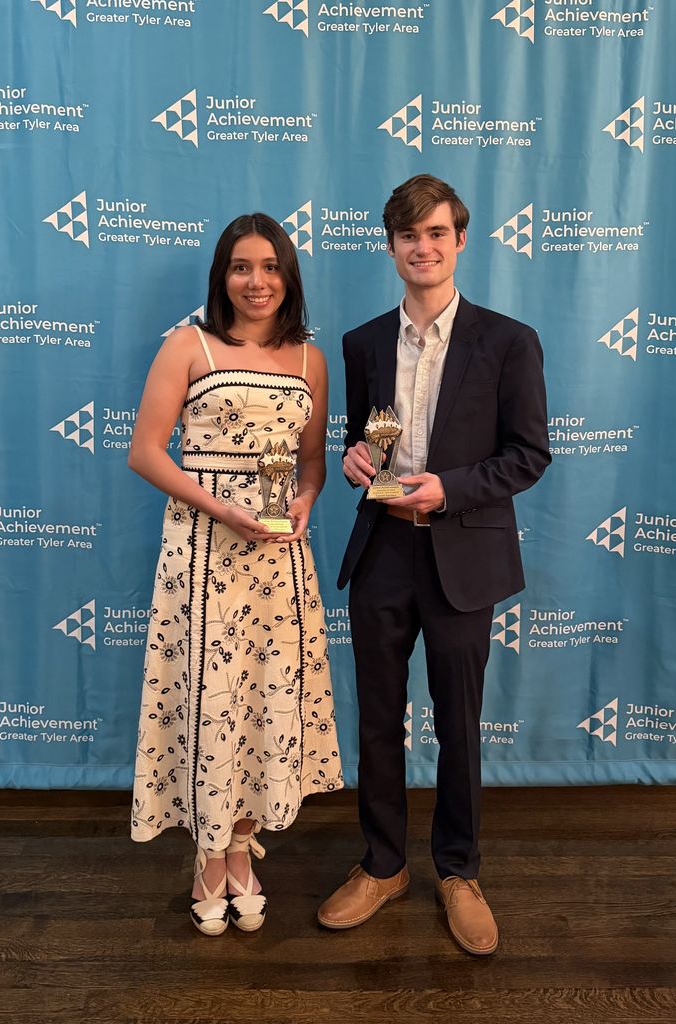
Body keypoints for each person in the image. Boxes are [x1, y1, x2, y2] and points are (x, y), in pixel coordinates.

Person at [317, 175, 550, 954]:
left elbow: (528, 455)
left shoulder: (508, 341)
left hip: (462, 557)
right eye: (409, 236)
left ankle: (459, 871)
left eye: (437, 233)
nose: (423, 247)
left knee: (457, 724)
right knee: (378, 722)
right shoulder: (362, 343)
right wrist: (356, 459)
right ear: (391, 247)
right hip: (382, 552)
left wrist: (449, 487)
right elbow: (367, 439)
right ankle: (383, 865)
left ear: (459, 241)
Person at [129, 212, 343, 936]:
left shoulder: (311, 359)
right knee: (207, 700)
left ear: (290, 276)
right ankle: (208, 854)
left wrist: (307, 499)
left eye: (272, 266)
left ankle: (245, 843)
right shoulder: (186, 346)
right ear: (222, 276)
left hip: (279, 558)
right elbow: (147, 451)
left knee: (263, 701)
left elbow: (311, 461)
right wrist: (220, 507)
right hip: (204, 550)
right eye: (242, 266)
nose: (258, 281)